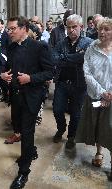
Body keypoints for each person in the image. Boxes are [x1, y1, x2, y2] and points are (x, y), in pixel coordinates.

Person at [1, 16, 54, 189]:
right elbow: (8, 67)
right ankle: (31, 151)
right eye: (8, 29)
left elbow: (49, 72)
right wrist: (4, 75)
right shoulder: (11, 47)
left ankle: (23, 172)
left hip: (31, 96)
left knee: (26, 130)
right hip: (15, 95)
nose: (9, 32)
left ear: (24, 28)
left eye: (12, 29)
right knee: (19, 128)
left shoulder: (39, 46)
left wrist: (30, 78)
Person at [75, 18, 112, 181]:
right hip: (95, 97)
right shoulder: (91, 48)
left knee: (110, 126)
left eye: (107, 29)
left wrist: (110, 93)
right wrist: (102, 92)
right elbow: (87, 72)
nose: (102, 32)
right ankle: (99, 152)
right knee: (97, 124)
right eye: (100, 29)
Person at [52, 14, 93, 149]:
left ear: (81, 27)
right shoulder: (61, 43)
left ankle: (71, 136)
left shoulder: (88, 43)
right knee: (58, 109)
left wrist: (65, 58)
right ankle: (61, 128)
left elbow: (83, 58)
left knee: (76, 114)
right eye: (68, 27)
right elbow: (55, 59)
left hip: (79, 84)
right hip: (62, 83)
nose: (71, 30)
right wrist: (74, 57)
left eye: (74, 27)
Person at [0, 18, 11, 103]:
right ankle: (4, 96)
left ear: (2, 25)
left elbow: (9, 47)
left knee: (5, 78)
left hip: (4, 59)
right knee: (0, 78)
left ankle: (8, 97)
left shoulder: (6, 34)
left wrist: (7, 58)